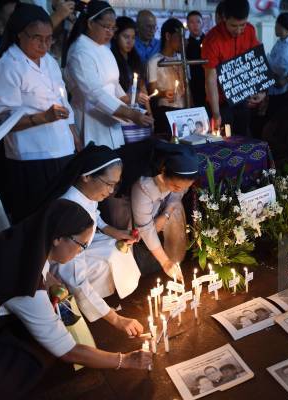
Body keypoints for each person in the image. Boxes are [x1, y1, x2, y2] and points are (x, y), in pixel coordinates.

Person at [0, 200, 152, 397]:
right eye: (81, 245)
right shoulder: (26, 287)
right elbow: (69, 351)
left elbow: (41, 274)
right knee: (31, 359)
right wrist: (124, 360)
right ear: (58, 238)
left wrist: (49, 281)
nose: (81, 252)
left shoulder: (21, 240)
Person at [38, 144, 144, 334]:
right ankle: (94, 308)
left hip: (80, 246)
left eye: (115, 185)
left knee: (117, 249)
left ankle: (102, 300)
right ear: (87, 176)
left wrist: (113, 232)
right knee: (100, 267)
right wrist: (117, 320)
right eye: (109, 184)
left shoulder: (87, 191)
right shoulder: (69, 208)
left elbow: (95, 214)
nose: (111, 191)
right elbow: (75, 278)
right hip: (59, 260)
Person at [0, 3, 77, 223]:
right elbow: (1, 119)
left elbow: (63, 99)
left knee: (62, 219)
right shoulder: (8, 65)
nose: (44, 44)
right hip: (31, 158)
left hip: (63, 150)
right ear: (20, 34)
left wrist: (74, 135)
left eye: (49, 38)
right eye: (37, 38)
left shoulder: (49, 61)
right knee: (37, 221)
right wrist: (42, 118)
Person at [63, 1, 153, 150]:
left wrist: (129, 101)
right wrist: (130, 113)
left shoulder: (105, 48)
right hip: (90, 120)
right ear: (91, 23)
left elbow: (113, 83)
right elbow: (94, 94)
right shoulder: (80, 51)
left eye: (113, 28)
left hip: (112, 119)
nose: (110, 33)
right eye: (106, 27)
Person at [131, 142, 199, 280]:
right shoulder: (145, 185)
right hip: (130, 210)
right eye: (175, 185)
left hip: (162, 206)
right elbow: (145, 227)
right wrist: (165, 262)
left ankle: (173, 260)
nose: (179, 188)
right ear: (163, 172)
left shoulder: (181, 179)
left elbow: (178, 194)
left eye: (185, 186)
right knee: (140, 238)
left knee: (175, 212)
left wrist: (166, 214)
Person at [201, 0, 265, 135]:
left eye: (242, 25)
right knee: (225, 141)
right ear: (224, 18)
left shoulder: (250, 30)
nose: (239, 30)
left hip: (242, 99)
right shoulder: (211, 40)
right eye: (234, 26)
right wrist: (216, 113)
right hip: (221, 103)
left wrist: (261, 91)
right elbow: (210, 79)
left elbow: (256, 63)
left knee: (244, 138)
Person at [111, 16, 153, 144]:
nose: (130, 41)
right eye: (126, 37)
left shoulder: (135, 59)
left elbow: (142, 88)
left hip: (139, 111)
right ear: (116, 36)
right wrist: (131, 97)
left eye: (133, 38)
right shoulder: (111, 59)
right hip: (122, 113)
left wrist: (150, 113)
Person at [147, 18, 187, 134]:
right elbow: (151, 90)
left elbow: (187, 85)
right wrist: (164, 93)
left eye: (183, 37)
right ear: (168, 36)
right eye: (179, 37)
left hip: (183, 108)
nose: (182, 41)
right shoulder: (154, 61)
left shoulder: (182, 59)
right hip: (165, 111)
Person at [267, 12, 288, 116]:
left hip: (287, 91)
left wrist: (286, 80)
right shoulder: (278, 43)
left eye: (277, 25)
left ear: (284, 26)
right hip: (273, 90)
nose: (275, 28)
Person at [186, 10, 206, 107]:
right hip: (194, 85)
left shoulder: (210, 41)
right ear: (188, 25)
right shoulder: (185, 44)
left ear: (202, 24)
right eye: (191, 22)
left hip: (208, 82)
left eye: (198, 22)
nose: (195, 25)